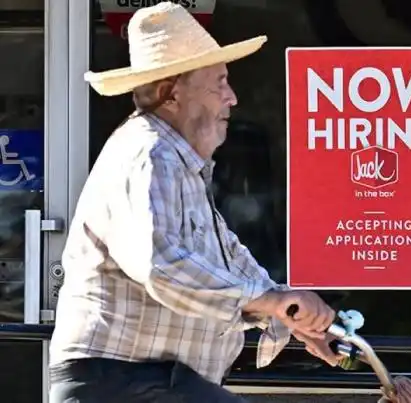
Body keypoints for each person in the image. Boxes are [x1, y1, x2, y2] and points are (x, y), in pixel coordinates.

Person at [48, 3, 338, 402]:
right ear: (172, 92)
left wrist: (290, 313)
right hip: (123, 381)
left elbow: (229, 263)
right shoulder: (150, 155)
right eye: (218, 82)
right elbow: (161, 263)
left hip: (149, 382)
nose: (232, 98)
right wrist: (273, 301)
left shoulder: (179, 165)